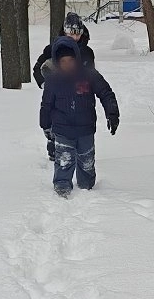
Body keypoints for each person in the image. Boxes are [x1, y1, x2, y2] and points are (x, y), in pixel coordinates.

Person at [39, 36, 119, 198]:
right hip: (62, 129)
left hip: (85, 128)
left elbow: (105, 92)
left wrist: (112, 113)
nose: (67, 64)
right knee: (64, 160)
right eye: (63, 61)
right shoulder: (53, 81)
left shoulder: (88, 75)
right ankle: (62, 186)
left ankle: (87, 186)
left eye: (71, 60)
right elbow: (46, 105)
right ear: (57, 62)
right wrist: (46, 125)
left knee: (86, 161)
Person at [34, 12, 96, 161]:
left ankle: (79, 151)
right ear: (64, 31)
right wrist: (46, 84)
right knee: (56, 121)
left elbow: (91, 75)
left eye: (77, 33)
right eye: (70, 33)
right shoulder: (53, 49)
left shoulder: (86, 52)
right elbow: (38, 68)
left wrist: (86, 88)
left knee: (79, 125)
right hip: (58, 95)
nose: (74, 37)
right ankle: (54, 149)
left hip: (80, 97)